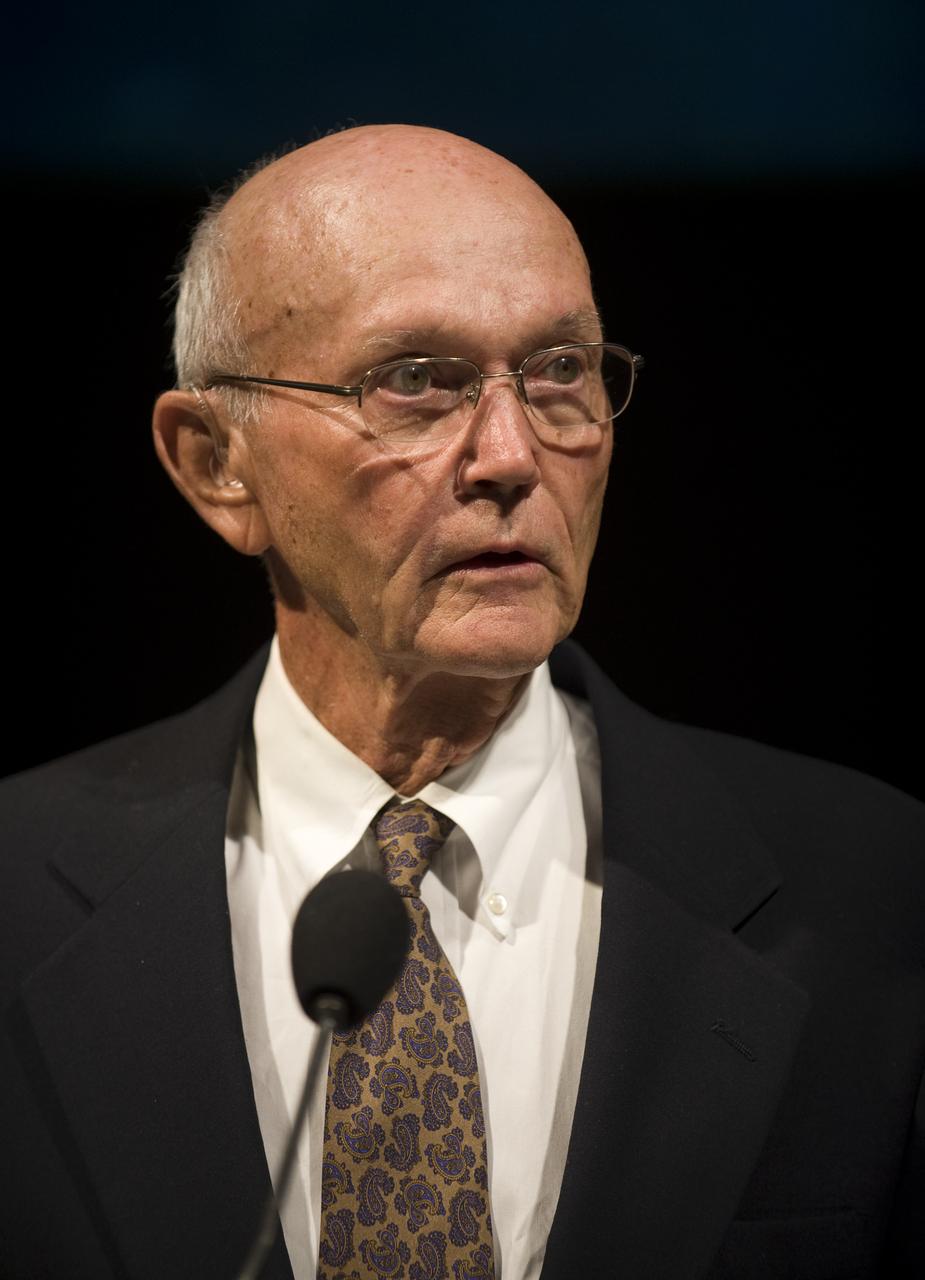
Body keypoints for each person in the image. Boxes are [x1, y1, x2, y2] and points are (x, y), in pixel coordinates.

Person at [0, 125, 922, 1280]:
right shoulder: (15, 890)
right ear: (215, 464)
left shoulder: (878, 889)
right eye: (416, 381)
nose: (509, 454)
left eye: (559, 373)